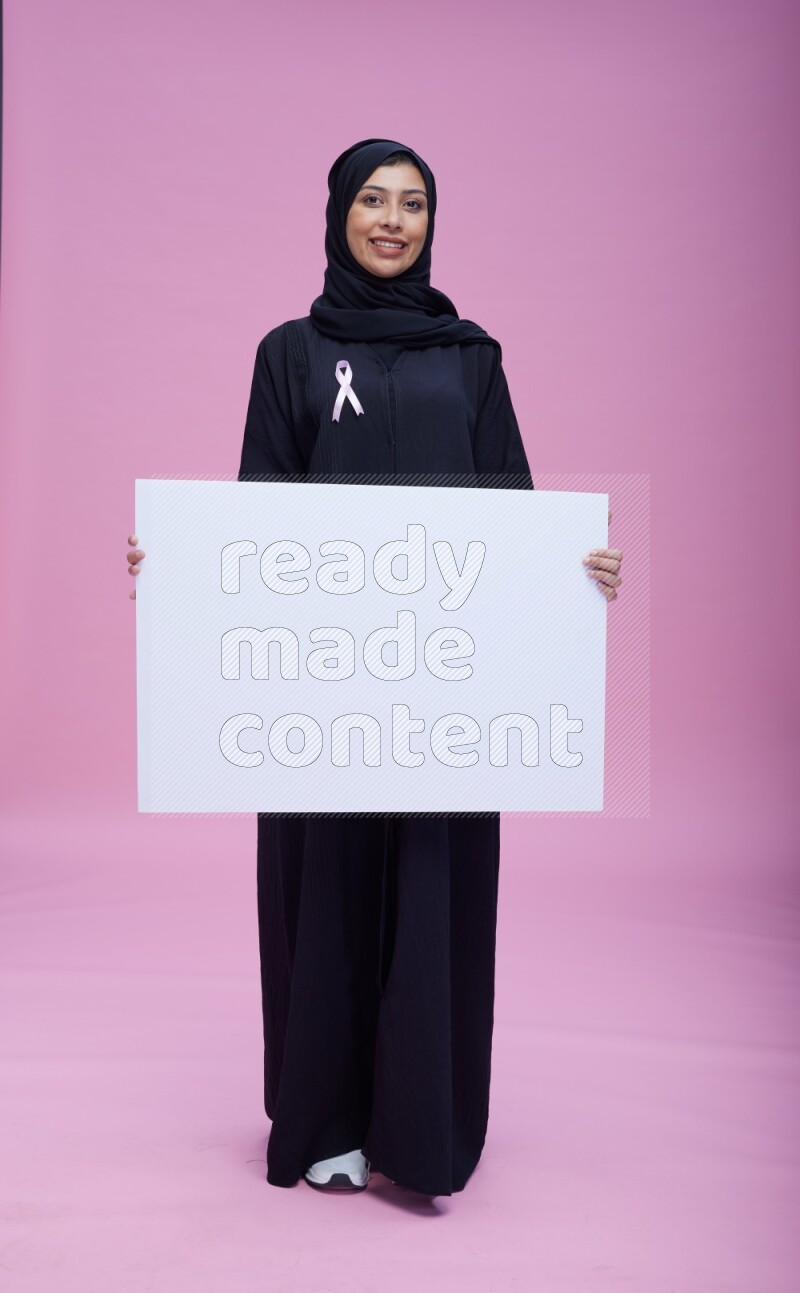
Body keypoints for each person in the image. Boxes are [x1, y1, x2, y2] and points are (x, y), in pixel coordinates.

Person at [126, 137, 623, 1198]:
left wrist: (577, 573)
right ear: (338, 214)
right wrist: (179, 568)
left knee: (433, 891)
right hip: (321, 684)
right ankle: (325, 1125)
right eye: (373, 200)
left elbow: (513, 515)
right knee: (326, 891)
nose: (392, 220)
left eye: (413, 204)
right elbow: (256, 514)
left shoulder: (473, 360)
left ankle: (420, 1135)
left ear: (432, 224)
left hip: (445, 685)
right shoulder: (290, 354)